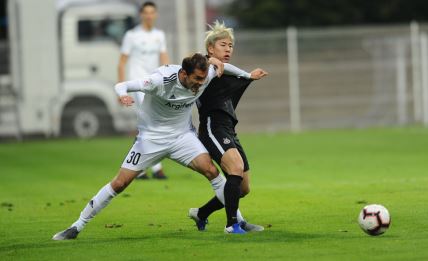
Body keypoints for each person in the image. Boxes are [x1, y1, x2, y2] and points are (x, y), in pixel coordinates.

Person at [52, 53, 267, 240]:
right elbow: (122, 85)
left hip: (182, 137)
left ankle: (237, 222)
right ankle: (76, 226)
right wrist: (123, 95)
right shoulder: (159, 80)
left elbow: (222, 67)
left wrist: (247, 75)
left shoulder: (205, 75)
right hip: (150, 139)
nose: (201, 84)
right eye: (197, 79)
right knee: (119, 183)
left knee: (212, 171)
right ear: (183, 74)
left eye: (203, 79)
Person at [188, 21, 267, 232]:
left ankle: (201, 213)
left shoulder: (227, 72)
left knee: (242, 187)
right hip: (212, 127)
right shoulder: (203, 67)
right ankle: (232, 225)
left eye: (231, 46)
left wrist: (248, 75)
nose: (228, 49)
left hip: (229, 129)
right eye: (223, 45)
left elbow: (232, 71)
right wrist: (210, 59)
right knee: (236, 169)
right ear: (211, 48)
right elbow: (193, 60)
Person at [118, 1, 169, 179]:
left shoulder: (159, 35)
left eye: (151, 12)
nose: (149, 16)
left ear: (155, 15)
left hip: (154, 83)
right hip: (138, 84)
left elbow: (164, 59)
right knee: (149, 122)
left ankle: (139, 167)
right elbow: (122, 62)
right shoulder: (131, 35)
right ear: (141, 15)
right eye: (146, 12)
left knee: (147, 125)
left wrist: (167, 81)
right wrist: (122, 90)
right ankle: (155, 168)